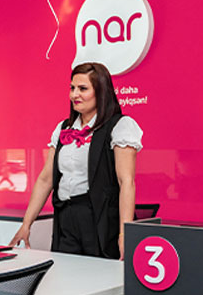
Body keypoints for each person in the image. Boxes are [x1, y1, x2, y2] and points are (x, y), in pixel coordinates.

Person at [9, 62, 143, 259]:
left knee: (99, 274)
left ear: (101, 92)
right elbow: (46, 179)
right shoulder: (64, 128)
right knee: (65, 272)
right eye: (72, 88)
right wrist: (26, 224)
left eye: (83, 89)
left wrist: (124, 234)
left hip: (99, 219)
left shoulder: (120, 126)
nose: (74, 95)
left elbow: (126, 182)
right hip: (66, 218)